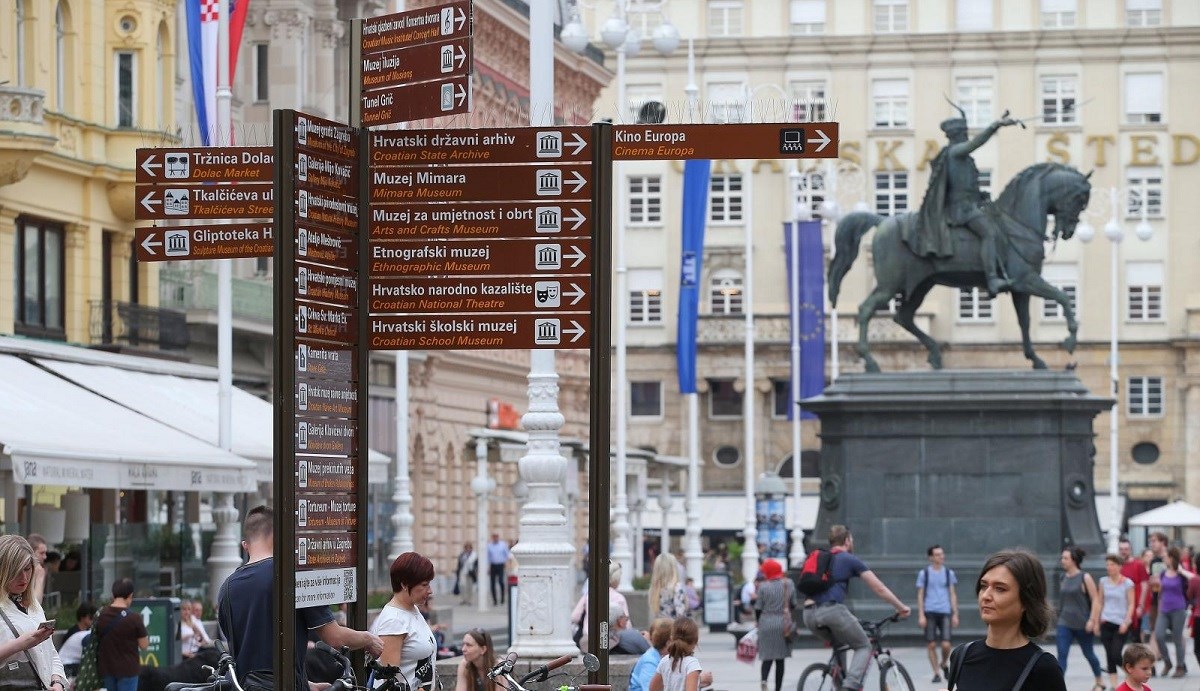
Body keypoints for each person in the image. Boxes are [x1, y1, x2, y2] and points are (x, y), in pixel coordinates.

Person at [217, 505, 383, 691]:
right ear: (279, 536)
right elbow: (334, 637)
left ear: (245, 545)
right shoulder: (293, 575)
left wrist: (306, 684)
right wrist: (369, 639)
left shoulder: (227, 588)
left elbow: (249, 656)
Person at [911, 106, 1020, 297]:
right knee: (988, 233)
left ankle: (976, 274)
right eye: (964, 133)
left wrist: (981, 196)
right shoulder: (955, 152)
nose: (967, 137)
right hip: (961, 210)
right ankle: (992, 279)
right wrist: (996, 125)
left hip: (970, 205)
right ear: (957, 135)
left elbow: (965, 185)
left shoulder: (963, 158)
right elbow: (976, 143)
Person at [801, 525, 910, 691]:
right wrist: (901, 607)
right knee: (863, 645)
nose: (852, 542)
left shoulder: (823, 558)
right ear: (846, 541)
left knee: (840, 643)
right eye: (851, 540)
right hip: (831, 611)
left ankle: (838, 682)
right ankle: (850, 686)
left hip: (808, 614)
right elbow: (878, 587)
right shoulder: (848, 559)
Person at [945, 548, 1066, 691]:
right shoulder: (962, 655)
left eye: (1000, 589)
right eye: (984, 586)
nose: (986, 596)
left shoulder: (1042, 667)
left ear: (1026, 601)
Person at [0, 535, 69, 691]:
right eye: (16, 571)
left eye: (27, 568)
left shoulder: (34, 605)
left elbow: (50, 651)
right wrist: (19, 644)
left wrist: (57, 682)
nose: (24, 577)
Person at [370, 552, 438, 691]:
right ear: (404, 585)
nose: (430, 591)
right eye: (425, 584)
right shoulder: (394, 620)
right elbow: (389, 683)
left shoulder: (412, 609)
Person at [1055, 547, 1104, 690]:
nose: (1062, 561)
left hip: (1083, 623)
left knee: (1089, 653)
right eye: (1062, 558)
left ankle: (1099, 681)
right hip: (1064, 622)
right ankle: (1059, 685)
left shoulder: (1085, 577)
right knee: (1062, 655)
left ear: (1074, 560)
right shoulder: (1063, 577)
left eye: (1065, 558)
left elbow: (1096, 600)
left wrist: (1093, 620)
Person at [95, 578, 149, 691]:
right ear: (130, 595)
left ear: (113, 594)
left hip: (107, 668)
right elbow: (144, 645)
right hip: (128, 669)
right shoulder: (135, 618)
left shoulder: (102, 615)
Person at [917, 544, 958, 684]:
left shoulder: (948, 573)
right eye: (938, 554)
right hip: (930, 611)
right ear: (931, 557)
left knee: (946, 644)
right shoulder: (924, 574)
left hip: (945, 611)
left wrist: (955, 613)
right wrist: (921, 615)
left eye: (942, 554)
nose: (941, 556)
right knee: (931, 645)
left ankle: (944, 663)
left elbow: (952, 594)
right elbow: (920, 595)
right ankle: (936, 673)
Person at [753, 559, 796, 691]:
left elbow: (758, 608)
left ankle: (764, 681)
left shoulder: (763, 587)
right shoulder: (788, 583)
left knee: (767, 657)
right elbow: (793, 604)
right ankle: (778, 688)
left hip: (766, 623)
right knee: (780, 659)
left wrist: (758, 622)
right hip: (782, 624)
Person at [570, 562, 630, 652]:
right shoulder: (619, 598)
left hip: (589, 640)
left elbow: (574, 617)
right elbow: (627, 625)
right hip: (612, 643)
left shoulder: (590, 594)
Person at [1153, 546, 1194, 677]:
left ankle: (1180, 666)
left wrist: (1181, 571)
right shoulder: (1163, 573)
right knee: (1159, 635)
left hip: (1178, 608)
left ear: (1171, 558)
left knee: (1177, 638)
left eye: (1165, 557)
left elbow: (1194, 579)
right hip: (1164, 609)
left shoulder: (1181, 574)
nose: (1164, 559)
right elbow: (1161, 591)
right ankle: (1167, 662)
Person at [1098, 554, 1137, 689]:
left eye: (1112, 564)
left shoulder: (1127, 583)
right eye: (1108, 564)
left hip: (1120, 623)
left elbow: (1131, 604)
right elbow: (1100, 602)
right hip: (1106, 621)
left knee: (1116, 654)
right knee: (1109, 655)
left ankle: (1131, 675)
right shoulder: (1103, 581)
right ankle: (1114, 686)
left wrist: (1126, 622)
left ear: (1119, 566)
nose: (1109, 567)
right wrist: (1097, 621)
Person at [649, 617, 706, 691]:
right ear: (695, 641)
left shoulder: (664, 661)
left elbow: (653, 688)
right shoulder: (692, 664)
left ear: (671, 637)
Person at [1119, 539, 1150, 645]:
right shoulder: (1117, 566)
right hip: (1121, 607)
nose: (1123, 552)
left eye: (1126, 549)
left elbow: (1144, 585)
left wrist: (1141, 606)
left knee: (1135, 637)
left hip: (1135, 605)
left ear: (1130, 550)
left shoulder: (1138, 564)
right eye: (1121, 549)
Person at [57, 603, 95, 678]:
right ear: (82, 617)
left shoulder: (88, 632)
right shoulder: (73, 633)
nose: (93, 620)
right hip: (68, 666)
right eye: (90, 617)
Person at [648, 554, 689, 621]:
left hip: (658, 628)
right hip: (673, 628)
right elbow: (680, 614)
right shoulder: (677, 587)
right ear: (673, 568)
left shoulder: (653, 589)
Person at [486, 534, 509, 607]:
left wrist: (506, 563)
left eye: (496, 537)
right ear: (492, 538)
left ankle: (502, 599)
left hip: (501, 565)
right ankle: (495, 600)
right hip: (493, 565)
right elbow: (488, 557)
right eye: (494, 537)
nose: (495, 538)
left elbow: (507, 555)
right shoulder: (489, 545)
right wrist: (488, 567)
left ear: (498, 537)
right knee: (492, 584)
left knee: (501, 581)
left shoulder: (503, 545)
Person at [26, 533, 48, 604]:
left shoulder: (40, 570)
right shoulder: (22, 572)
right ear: (31, 552)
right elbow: (35, 604)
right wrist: (39, 578)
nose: (45, 557)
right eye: (42, 553)